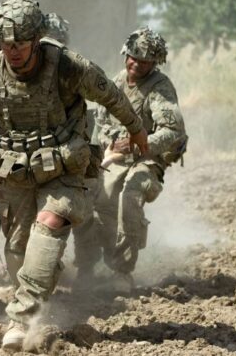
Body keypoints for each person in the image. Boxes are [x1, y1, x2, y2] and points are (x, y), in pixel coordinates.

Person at [0, 0, 148, 350]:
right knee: (17, 253)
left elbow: (113, 96)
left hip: (65, 169)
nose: (12, 52)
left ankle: (21, 319)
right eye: (6, 45)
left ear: (36, 40)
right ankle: (41, 287)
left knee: (50, 222)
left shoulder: (68, 67)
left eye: (20, 44)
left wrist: (136, 131)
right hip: (15, 173)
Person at [73, 28, 187, 293]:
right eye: (133, 57)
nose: (136, 64)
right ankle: (86, 267)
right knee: (93, 200)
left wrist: (138, 146)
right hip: (114, 160)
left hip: (147, 162)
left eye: (145, 61)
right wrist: (108, 147)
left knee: (130, 198)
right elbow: (100, 121)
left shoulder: (160, 88)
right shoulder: (117, 82)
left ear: (155, 63)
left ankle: (122, 271)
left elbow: (173, 131)